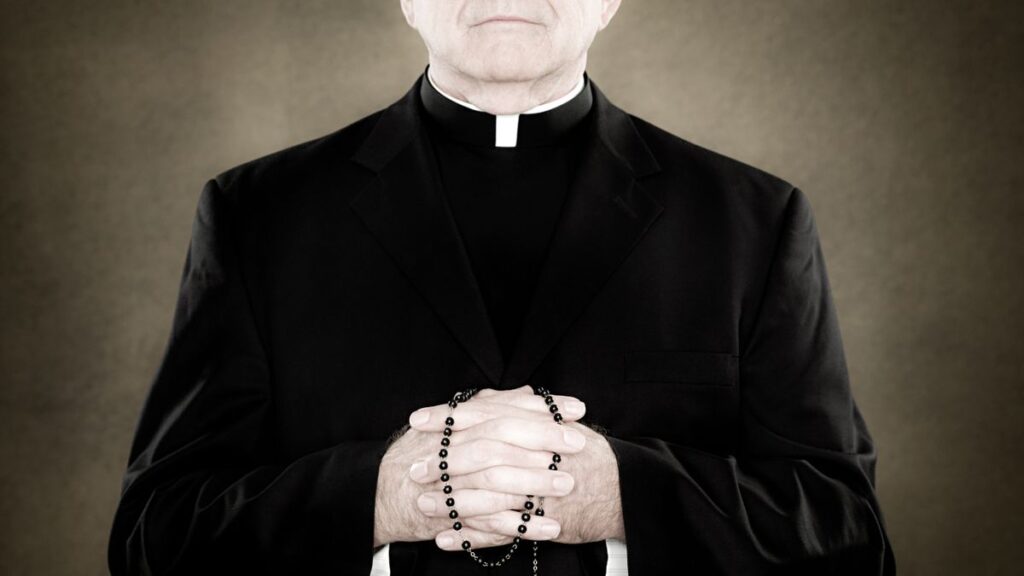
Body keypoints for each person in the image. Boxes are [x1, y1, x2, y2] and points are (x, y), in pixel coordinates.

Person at [107, 0, 896, 574]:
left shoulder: (753, 220)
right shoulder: (258, 214)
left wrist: (623, 495)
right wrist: (381, 496)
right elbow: (154, 535)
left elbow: (849, 530)